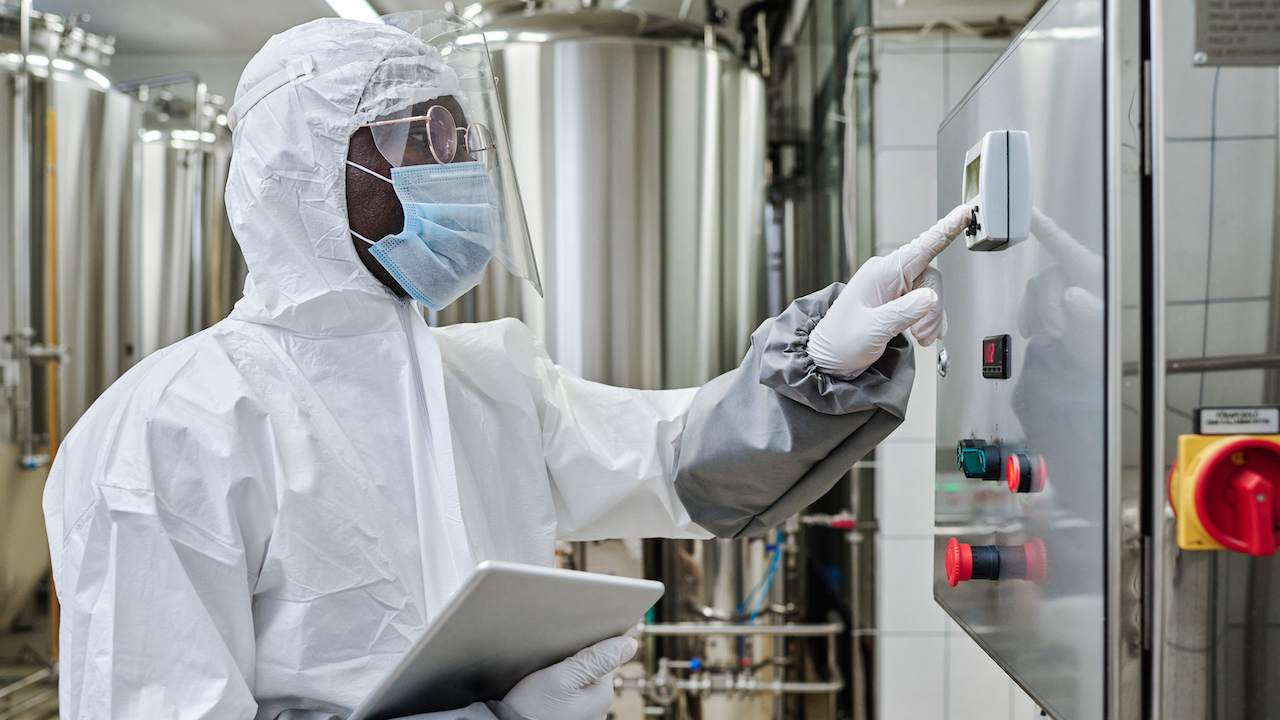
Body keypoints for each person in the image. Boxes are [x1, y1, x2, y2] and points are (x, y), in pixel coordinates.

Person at [42, 11, 973, 720]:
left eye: (458, 138)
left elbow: (672, 459)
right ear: (305, 179)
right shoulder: (173, 427)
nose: (454, 169)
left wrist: (822, 360)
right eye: (413, 141)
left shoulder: (483, 381)